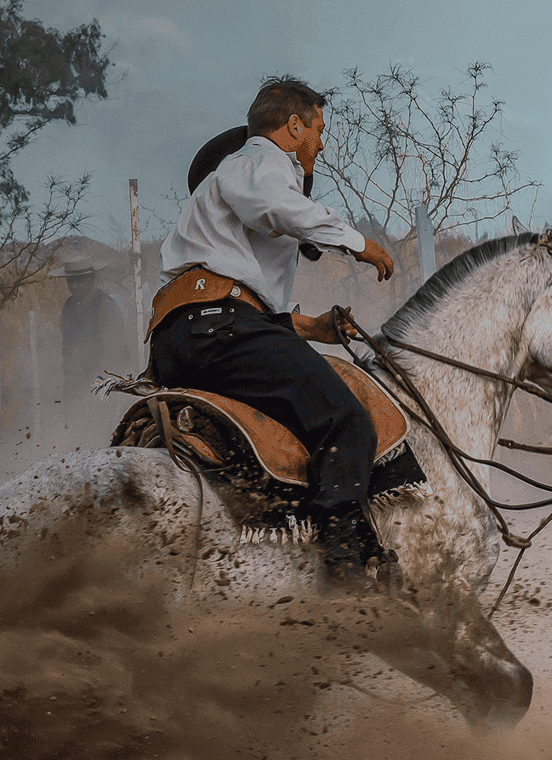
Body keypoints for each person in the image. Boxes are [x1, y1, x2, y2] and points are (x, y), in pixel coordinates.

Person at [146, 75, 398, 587]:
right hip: (220, 331)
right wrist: (357, 242)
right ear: (294, 125)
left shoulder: (229, 190)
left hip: (183, 336)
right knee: (346, 420)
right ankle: (346, 563)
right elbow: (278, 208)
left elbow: (239, 292)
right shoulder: (258, 160)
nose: (321, 143)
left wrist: (310, 327)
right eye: (319, 129)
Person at [52, 258, 130, 399]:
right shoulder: (68, 306)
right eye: (71, 281)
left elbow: (114, 353)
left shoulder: (105, 306)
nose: (75, 285)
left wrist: (98, 386)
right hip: (74, 382)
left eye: (81, 279)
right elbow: (67, 346)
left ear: (92, 278)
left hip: (100, 382)